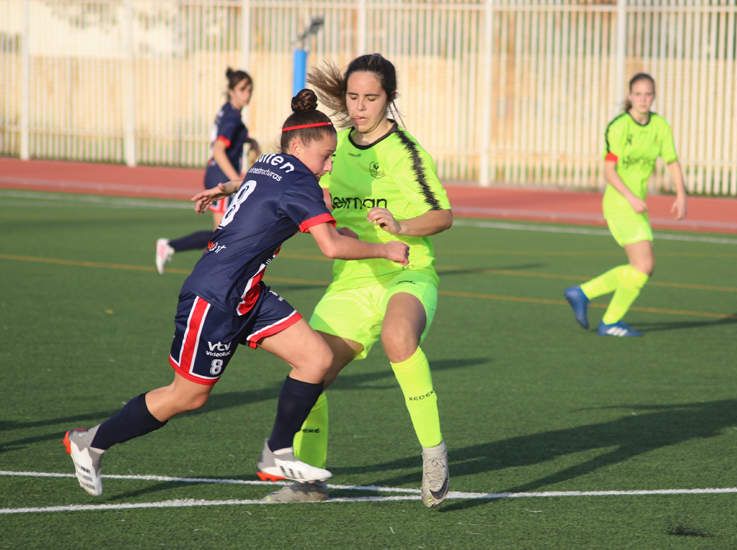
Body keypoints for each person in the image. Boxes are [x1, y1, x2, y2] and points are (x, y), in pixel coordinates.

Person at [63, 90, 409, 497]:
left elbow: (254, 180)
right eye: (326, 156)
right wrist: (385, 249)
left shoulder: (271, 161)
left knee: (316, 358)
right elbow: (330, 247)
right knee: (187, 397)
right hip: (212, 298)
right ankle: (89, 443)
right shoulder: (300, 182)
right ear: (298, 147)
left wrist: (226, 186)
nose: (329, 164)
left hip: (248, 294)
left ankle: (276, 452)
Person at [256, 53, 453, 508]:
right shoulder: (333, 145)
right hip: (351, 280)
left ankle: (434, 453)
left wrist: (401, 225)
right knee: (312, 365)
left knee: (398, 336)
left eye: (371, 97)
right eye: (353, 97)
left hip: (407, 270)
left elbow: (443, 215)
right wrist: (232, 189)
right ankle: (308, 482)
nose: (360, 106)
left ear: (390, 99)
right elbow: (284, 178)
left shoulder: (406, 152)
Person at [564, 72, 687, 337]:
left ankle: (584, 295)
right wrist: (630, 197)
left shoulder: (660, 126)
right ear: (630, 96)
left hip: (636, 206)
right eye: (639, 94)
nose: (644, 99)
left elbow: (672, 161)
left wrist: (681, 194)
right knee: (644, 265)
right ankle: (608, 319)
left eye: (649, 94)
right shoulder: (619, 127)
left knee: (642, 268)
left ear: (654, 96)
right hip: (620, 203)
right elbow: (609, 172)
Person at [155, 67, 260, 275]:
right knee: (223, 235)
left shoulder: (227, 111)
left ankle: (179, 252)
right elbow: (219, 150)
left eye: (249, 89)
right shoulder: (232, 118)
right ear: (232, 91)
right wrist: (237, 180)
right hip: (221, 178)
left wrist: (249, 140)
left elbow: (228, 140)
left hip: (216, 174)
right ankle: (181, 253)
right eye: (242, 89)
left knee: (222, 234)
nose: (247, 94)